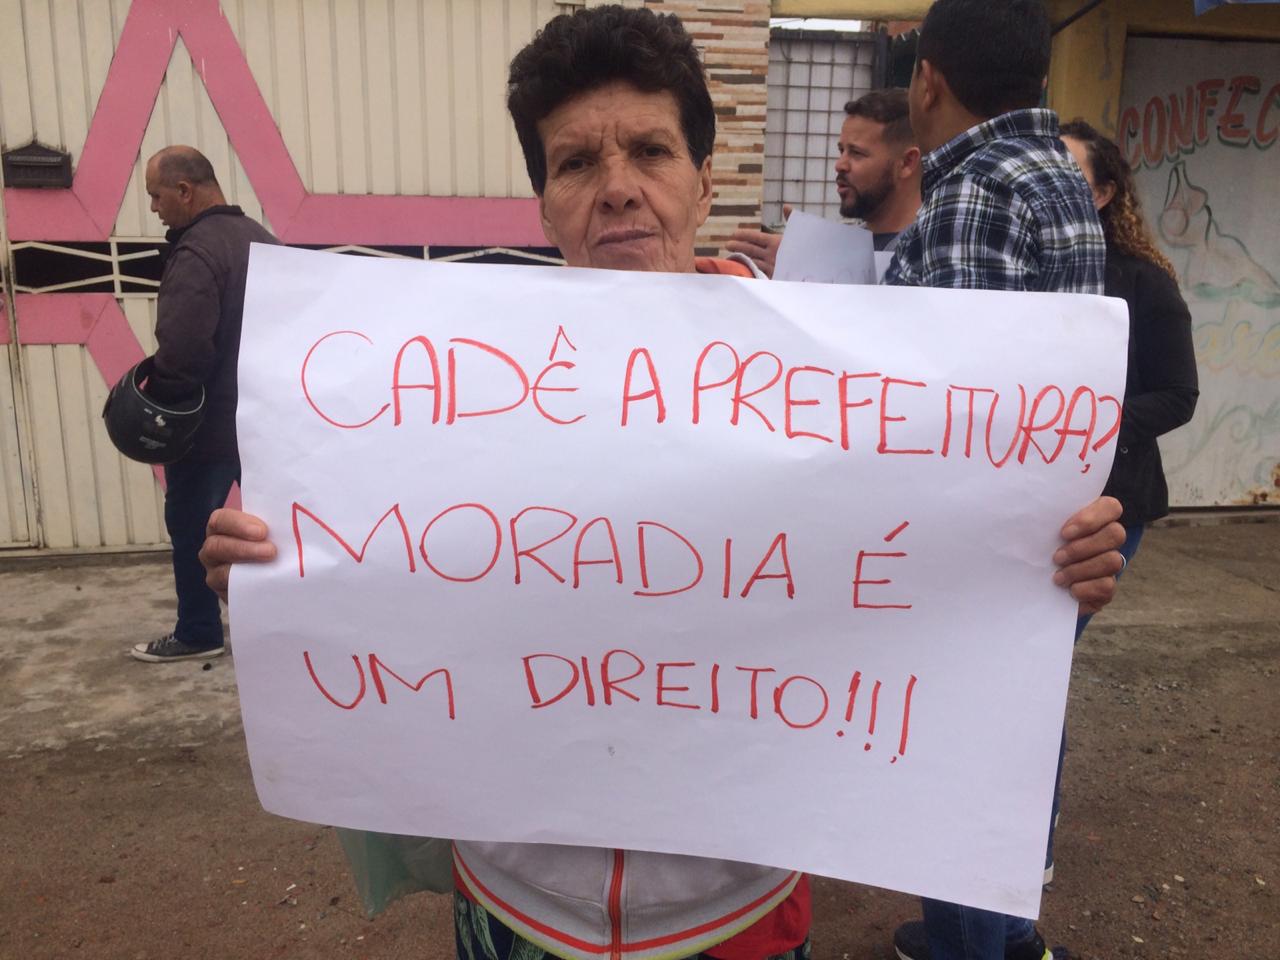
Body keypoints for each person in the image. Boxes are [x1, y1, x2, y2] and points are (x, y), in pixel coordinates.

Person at [198, 6, 1124, 959]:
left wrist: (1044, 564)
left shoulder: (832, 377)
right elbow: (356, 553)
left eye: (650, 151)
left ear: (701, 178)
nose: (617, 190)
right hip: (518, 903)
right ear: (543, 201)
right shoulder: (433, 379)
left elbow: (932, 550)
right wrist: (269, 572)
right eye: (575, 163)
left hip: (738, 905)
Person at [882, 2, 1121, 959]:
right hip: (1040, 527)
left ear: (927, 79)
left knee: (953, 763)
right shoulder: (1057, 174)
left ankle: (972, 942)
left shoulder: (972, 193)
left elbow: (954, 420)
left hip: (971, 552)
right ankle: (1001, 933)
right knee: (1003, 747)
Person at [1040, 116, 1198, 871]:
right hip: (1034, 502)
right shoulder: (1028, 265)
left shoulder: (1143, 281)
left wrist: (1094, 423)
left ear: (1104, 194)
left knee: (1034, 671)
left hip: (1110, 504)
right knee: (1024, 674)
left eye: (1070, 174)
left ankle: (1027, 846)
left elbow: (1179, 395)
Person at [129, 147, 278, 663]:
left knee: (195, 528)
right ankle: (286, 627)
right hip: (270, 423)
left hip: (208, 431)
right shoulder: (263, 242)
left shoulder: (196, 253)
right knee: (275, 531)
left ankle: (198, 631)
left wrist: (161, 406)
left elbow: (184, 352)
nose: (154, 208)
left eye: (156, 196)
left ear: (185, 191)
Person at [727, 88, 922, 277]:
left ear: (907, 163)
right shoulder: (842, 246)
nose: (840, 165)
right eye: (841, 151)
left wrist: (811, 268)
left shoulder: (930, 254)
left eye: (857, 153)